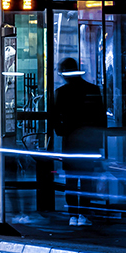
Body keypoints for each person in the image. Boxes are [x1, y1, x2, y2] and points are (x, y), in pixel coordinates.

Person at [50, 57, 106, 226]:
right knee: (87, 179)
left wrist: (61, 131)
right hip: (89, 143)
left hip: (71, 142)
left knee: (71, 180)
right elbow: (101, 118)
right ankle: (84, 214)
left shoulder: (62, 92)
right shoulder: (93, 89)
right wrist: (99, 143)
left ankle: (73, 214)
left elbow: (54, 117)